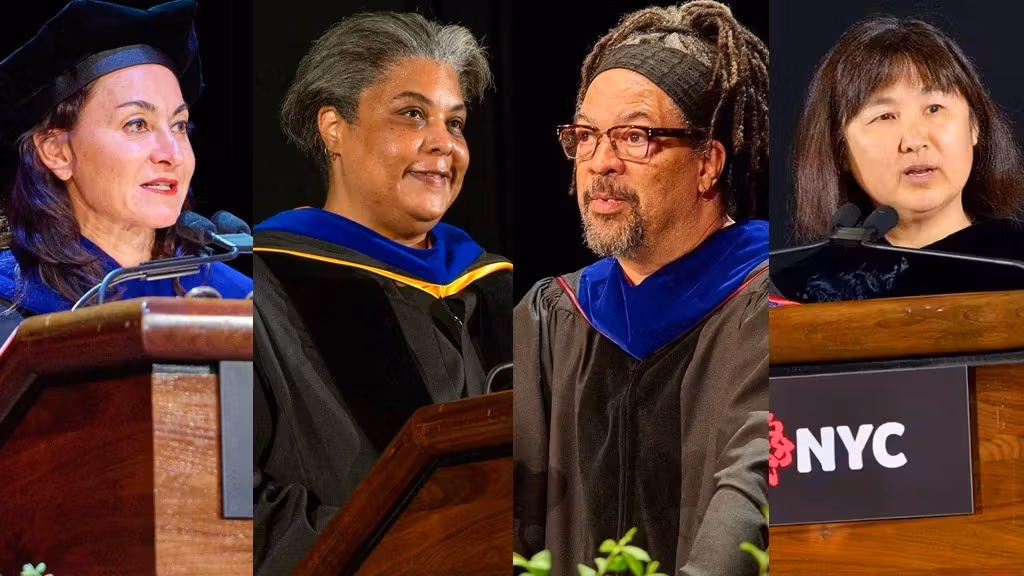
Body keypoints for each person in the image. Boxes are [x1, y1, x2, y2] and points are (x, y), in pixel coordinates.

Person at [513, 2, 769, 575]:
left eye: (635, 136)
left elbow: (753, 495)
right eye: (585, 136)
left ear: (708, 163)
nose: (600, 162)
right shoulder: (552, 317)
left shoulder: (768, 304)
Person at [252, 12, 512, 575]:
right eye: (412, 114)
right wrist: (430, 551)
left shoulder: (501, 291)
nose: (444, 144)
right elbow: (246, 516)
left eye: (457, 121)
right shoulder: (260, 289)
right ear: (333, 128)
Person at [0, 0, 253, 342]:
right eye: (137, 124)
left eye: (179, 126)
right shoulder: (13, 306)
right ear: (57, 152)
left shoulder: (235, 299)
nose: (172, 153)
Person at [772, 16, 1024, 302]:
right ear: (841, 151)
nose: (914, 142)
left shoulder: (1015, 261)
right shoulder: (801, 294)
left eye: (934, 108)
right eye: (885, 116)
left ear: (974, 127)